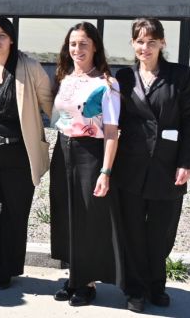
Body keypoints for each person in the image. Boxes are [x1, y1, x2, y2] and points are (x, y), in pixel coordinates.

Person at [115, 18, 190, 313]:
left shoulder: (179, 75)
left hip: (167, 167)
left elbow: (189, 121)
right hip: (131, 168)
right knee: (133, 232)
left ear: (162, 43)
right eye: (139, 41)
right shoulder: (123, 77)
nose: (145, 48)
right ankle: (135, 288)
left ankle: (156, 284)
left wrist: (185, 162)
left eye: (151, 42)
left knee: (162, 232)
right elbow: (113, 120)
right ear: (132, 44)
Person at [0, 16, 53, 289]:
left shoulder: (29, 67)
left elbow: (51, 106)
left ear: (12, 38)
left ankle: (7, 270)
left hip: (19, 158)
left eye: (1, 35)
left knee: (15, 215)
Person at [50, 21, 124, 307]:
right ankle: (73, 277)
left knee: (88, 218)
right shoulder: (64, 77)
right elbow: (60, 118)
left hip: (91, 154)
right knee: (67, 214)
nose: (77, 49)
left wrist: (105, 171)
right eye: (72, 44)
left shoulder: (106, 83)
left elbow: (111, 131)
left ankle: (88, 282)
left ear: (95, 46)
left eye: (83, 43)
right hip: (63, 150)